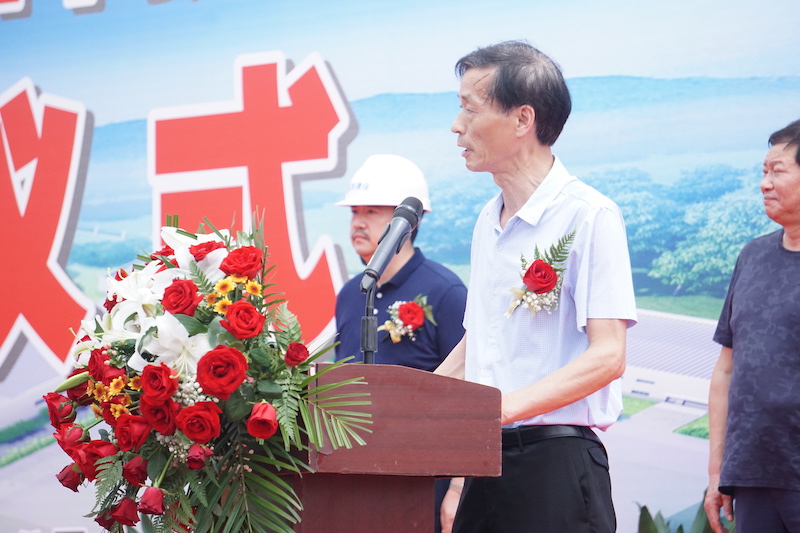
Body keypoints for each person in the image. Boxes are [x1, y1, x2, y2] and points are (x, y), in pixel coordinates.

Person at [434, 41, 637, 533]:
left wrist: (498, 410)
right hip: (486, 463)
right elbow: (479, 343)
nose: (456, 126)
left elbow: (608, 356)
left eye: (469, 109)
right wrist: (410, 406)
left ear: (522, 119)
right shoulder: (488, 221)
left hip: (557, 464)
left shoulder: (589, 215)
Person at [333, 153, 468, 533]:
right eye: (354, 211)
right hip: (354, 482)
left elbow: (473, 396)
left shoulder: (446, 292)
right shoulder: (350, 293)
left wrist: (459, 488)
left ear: (410, 222)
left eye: (372, 212)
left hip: (426, 481)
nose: (358, 222)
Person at [704, 119, 800, 533]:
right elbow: (726, 371)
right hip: (752, 472)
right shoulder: (752, 256)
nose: (764, 183)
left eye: (777, 171)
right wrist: (717, 472)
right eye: (763, 171)